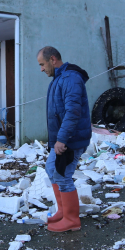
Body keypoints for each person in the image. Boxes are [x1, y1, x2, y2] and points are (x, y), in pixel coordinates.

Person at [37, 46, 92, 232]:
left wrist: (61, 139)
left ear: (53, 59)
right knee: (51, 168)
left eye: (42, 64)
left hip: (71, 139)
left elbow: (73, 112)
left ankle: (71, 220)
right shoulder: (59, 78)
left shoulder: (70, 79)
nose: (41, 69)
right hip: (62, 139)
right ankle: (62, 211)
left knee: (62, 175)